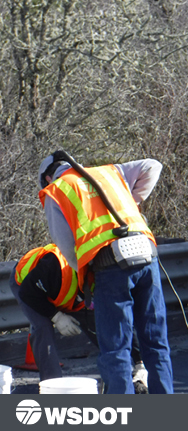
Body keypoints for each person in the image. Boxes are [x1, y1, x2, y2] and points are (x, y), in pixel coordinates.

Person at [38, 152, 173, 394]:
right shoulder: (109, 171)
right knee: (155, 341)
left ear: (48, 177)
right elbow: (153, 165)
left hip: (110, 267)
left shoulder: (56, 190)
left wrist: (84, 276)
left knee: (115, 348)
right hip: (147, 254)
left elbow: (66, 245)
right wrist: (131, 202)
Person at [9, 244, 151, 393]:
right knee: (43, 327)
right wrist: (56, 316)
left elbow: (120, 319)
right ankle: (52, 388)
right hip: (28, 287)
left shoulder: (105, 276)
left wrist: (139, 361)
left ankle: (118, 382)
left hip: (69, 294)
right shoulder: (55, 264)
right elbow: (28, 293)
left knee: (102, 327)